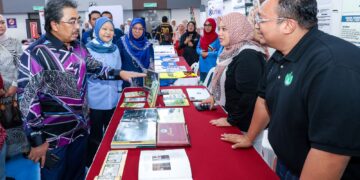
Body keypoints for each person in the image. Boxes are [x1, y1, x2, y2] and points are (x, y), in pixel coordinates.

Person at [221, 0, 360, 179]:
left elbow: (330, 155)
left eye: (261, 20)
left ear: (287, 25)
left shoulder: (333, 67)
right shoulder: (281, 54)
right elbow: (264, 99)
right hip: (286, 163)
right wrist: (249, 137)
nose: (256, 26)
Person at [17, 0, 145, 179]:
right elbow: (27, 100)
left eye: (78, 20)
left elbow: (97, 68)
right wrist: (37, 141)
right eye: (72, 21)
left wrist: (120, 73)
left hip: (80, 131)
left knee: (78, 175)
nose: (78, 26)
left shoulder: (78, 47)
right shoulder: (34, 54)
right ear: (54, 24)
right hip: (54, 140)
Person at [202, 12, 266, 154]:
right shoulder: (232, 50)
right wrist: (214, 96)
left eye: (225, 29)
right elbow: (226, 78)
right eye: (219, 29)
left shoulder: (248, 55)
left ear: (237, 30)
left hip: (243, 127)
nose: (219, 33)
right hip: (233, 117)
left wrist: (231, 120)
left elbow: (249, 96)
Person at [85, 17, 122, 167]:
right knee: (95, 134)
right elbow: (85, 75)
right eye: (104, 29)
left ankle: (110, 161)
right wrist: (85, 101)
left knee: (111, 130)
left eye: (111, 29)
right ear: (97, 30)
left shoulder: (115, 48)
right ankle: (95, 163)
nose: (108, 32)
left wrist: (119, 92)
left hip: (112, 97)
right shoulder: (88, 48)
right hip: (95, 99)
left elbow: (119, 71)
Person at [117, 18, 154, 88]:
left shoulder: (148, 45)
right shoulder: (122, 42)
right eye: (135, 28)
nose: (137, 31)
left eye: (140, 29)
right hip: (127, 81)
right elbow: (116, 63)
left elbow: (151, 65)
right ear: (131, 28)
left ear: (144, 30)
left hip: (144, 82)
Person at [196, 18, 220, 82]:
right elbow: (197, 48)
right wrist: (201, 52)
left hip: (211, 66)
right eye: (205, 25)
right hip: (202, 65)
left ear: (213, 26)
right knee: (202, 85)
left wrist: (208, 53)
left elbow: (220, 52)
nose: (207, 27)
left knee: (210, 87)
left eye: (209, 25)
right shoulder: (202, 37)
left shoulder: (217, 38)